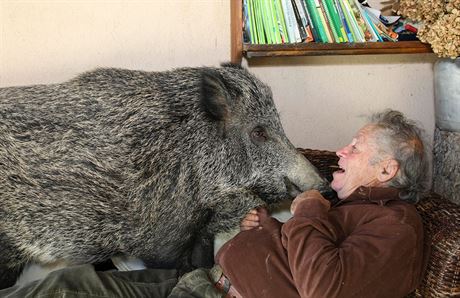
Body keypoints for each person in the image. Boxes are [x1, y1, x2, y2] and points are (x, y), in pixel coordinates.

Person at [0, 109, 431, 298]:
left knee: (65, 292)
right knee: (69, 283)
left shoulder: (398, 225)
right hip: (206, 280)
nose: (340, 151)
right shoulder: (355, 210)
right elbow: (309, 261)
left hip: (217, 293)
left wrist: (310, 208)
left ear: (387, 170)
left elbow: (324, 288)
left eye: (354, 147)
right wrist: (268, 231)